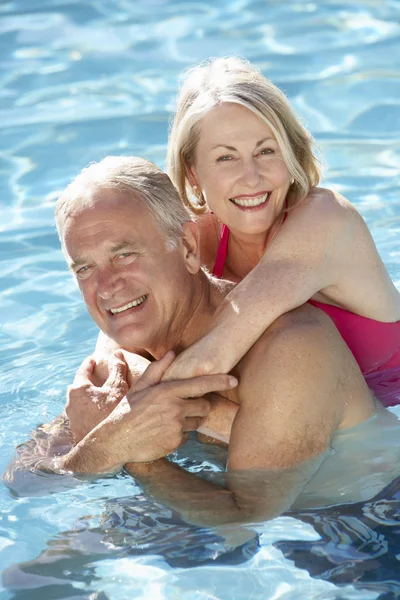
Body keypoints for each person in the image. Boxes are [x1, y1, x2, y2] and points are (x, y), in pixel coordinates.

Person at [6, 156, 397, 525]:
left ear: (190, 248)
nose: (106, 289)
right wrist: (109, 442)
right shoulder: (130, 338)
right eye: (85, 268)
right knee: (36, 578)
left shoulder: (290, 348)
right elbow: (23, 483)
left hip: (372, 526)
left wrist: (134, 451)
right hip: (263, 529)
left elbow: (243, 522)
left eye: (124, 255)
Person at [156, 56, 400, 407]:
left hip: (386, 423)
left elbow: (213, 356)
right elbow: (126, 325)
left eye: (266, 151)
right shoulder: (198, 239)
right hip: (298, 422)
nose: (252, 177)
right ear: (193, 173)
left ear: (291, 155)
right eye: (226, 158)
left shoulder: (327, 220)